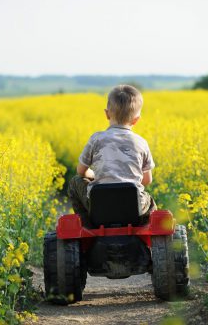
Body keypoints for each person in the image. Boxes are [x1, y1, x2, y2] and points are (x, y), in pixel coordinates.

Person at [67, 84, 157, 227]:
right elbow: (147, 180)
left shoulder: (96, 139)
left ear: (107, 114)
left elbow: (81, 171)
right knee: (149, 201)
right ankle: (146, 229)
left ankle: (87, 225)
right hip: (133, 205)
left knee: (74, 182)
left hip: (99, 204)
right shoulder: (141, 142)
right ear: (136, 120)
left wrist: (95, 175)